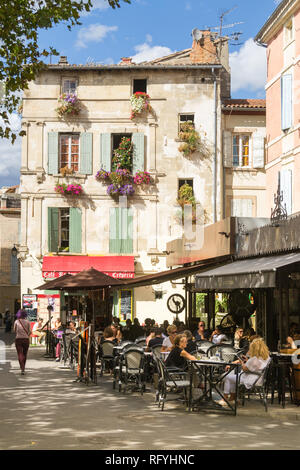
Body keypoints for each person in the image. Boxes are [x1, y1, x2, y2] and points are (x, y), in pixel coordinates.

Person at [218, 337, 271, 407]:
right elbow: (254, 366)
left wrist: (242, 362)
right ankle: (232, 398)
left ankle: (225, 399)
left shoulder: (254, 359)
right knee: (232, 378)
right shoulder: (266, 357)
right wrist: (247, 360)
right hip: (258, 378)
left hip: (250, 379)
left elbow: (245, 369)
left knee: (227, 377)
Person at [13, 310, 32, 375]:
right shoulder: (28, 322)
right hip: (26, 339)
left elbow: (14, 330)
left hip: (18, 339)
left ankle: (22, 368)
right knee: (25, 354)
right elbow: (30, 331)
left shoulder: (16, 321)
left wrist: (19, 333)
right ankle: (23, 367)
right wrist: (27, 335)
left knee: (20, 354)